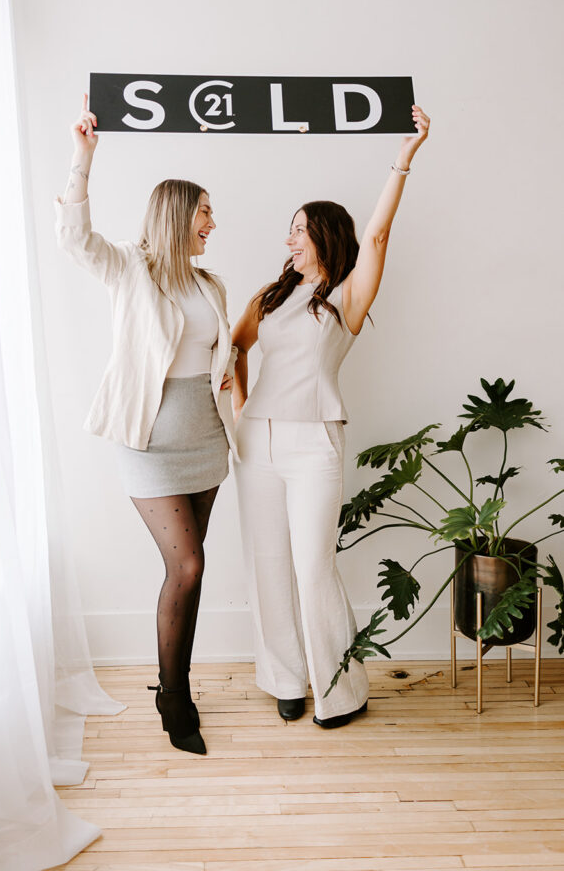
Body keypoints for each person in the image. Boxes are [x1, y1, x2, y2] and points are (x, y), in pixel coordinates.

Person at [232, 105, 430, 727]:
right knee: (267, 562)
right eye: (287, 229)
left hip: (316, 440)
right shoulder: (268, 297)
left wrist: (404, 158)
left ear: (323, 236)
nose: (288, 239)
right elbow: (236, 349)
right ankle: (285, 678)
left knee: (313, 564)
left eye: (299, 230)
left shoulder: (346, 295)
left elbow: (376, 236)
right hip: (257, 441)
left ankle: (338, 691)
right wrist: (243, 412)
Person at [55, 95, 237, 755]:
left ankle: (173, 682)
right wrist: (83, 157)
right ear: (179, 214)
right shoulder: (129, 269)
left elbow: (219, 358)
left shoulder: (210, 284)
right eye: (206, 211)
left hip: (206, 441)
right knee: (184, 566)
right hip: (149, 441)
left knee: (194, 570)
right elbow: (73, 240)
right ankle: (174, 694)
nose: (213, 221)